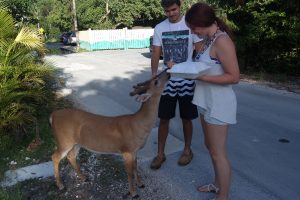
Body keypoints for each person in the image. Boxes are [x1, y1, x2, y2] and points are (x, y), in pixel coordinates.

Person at [181, 3, 240, 200]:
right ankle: (217, 185)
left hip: (219, 104)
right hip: (206, 102)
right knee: (210, 147)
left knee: (218, 153)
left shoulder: (222, 41)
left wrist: (201, 78)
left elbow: (234, 77)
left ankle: (223, 196)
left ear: (201, 23)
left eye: (192, 27)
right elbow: (200, 65)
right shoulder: (208, 39)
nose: (192, 31)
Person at [150, 0, 202, 170]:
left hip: (187, 79)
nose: (171, 13)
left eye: (173, 9)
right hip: (168, 79)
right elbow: (156, 52)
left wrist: (200, 69)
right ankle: (160, 154)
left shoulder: (190, 24)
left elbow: (200, 48)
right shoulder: (159, 28)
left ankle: (187, 150)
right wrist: (153, 76)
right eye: (167, 11)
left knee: (187, 118)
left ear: (180, 7)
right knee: (164, 118)